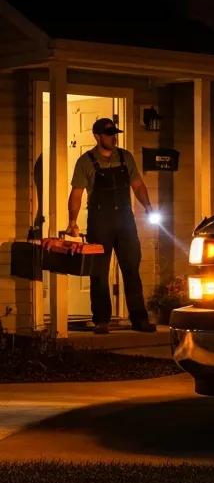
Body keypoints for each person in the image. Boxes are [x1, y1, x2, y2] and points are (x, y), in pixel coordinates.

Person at [66, 118, 157, 334]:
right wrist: (72, 222)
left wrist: (148, 206)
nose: (113, 138)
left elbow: (137, 185)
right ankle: (101, 320)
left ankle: (139, 319)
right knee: (98, 272)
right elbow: (76, 194)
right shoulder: (85, 162)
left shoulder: (125, 157)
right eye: (109, 134)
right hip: (100, 223)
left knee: (131, 270)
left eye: (114, 134)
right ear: (97, 137)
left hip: (126, 221)